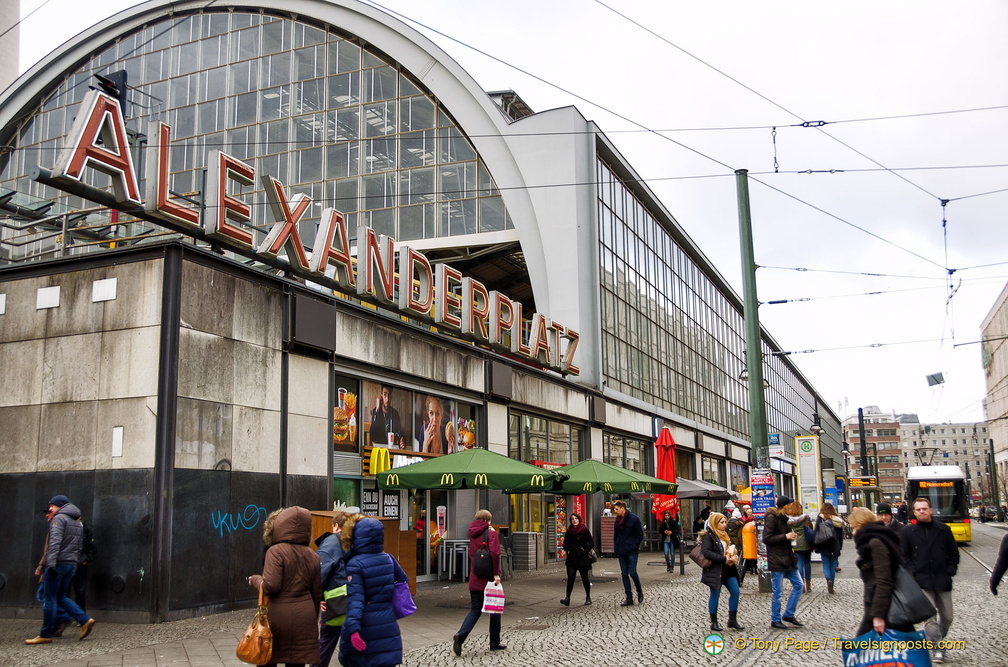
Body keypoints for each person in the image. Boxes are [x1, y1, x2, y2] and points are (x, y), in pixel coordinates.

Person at [247, 506, 322, 667]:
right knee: (297, 662)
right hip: (305, 617)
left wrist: (256, 580)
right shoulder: (313, 556)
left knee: (267, 658)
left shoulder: (275, 551)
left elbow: (270, 586)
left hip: (278, 617)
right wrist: (312, 619)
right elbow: (317, 593)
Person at [25, 495, 96, 645]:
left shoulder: (59, 519)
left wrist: (50, 565)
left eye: (52, 506)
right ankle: (84, 620)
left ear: (60, 506)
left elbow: (54, 544)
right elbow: (78, 546)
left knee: (49, 599)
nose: (49, 509)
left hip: (58, 563)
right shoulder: (77, 522)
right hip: (71, 564)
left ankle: (45, 634)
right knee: (61, 596)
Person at [338, 516, 406, 667]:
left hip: (365, 626)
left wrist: (353, 630)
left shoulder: (355, 564)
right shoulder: (388, 558)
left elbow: (355, 601)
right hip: (387, 623)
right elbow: (403, 579)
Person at [900, 497, 959, 664]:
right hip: (922, 581)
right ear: (914, 512)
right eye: (918, 509)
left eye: (924, 509)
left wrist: (950, 570)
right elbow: (904, 556)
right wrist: (914, 573)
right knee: (930, 617)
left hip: (942, 579)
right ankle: (938, 648)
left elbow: (953, 553)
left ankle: (936, 638)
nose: (921, 512)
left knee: (947, 616)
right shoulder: (907, 532)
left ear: (931, 510)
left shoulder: (943, 529)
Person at [849, 507, 915, 636]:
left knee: (860, 649)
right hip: (879, 606)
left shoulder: (876, 543)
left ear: (861, 525)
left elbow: (884, 581)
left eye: (854, 527)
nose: (853, 532)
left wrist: (878, 616)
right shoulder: (877, 538)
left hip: (883, 608)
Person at [453, 509, 505, 656]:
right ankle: (494, 642)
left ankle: (461, 635)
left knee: (475, 610)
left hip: (475, 577)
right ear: (488, 520)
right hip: (489, 579)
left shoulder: (472, 533)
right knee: (495, 609)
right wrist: (496, 574)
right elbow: (495, 553)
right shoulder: (491, 533)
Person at [314, 507, 357, 667]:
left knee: (325, 644)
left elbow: (318, 573)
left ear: (336, 526)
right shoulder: (358, 542)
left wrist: (317, 598)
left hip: (334, 602)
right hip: (355, 602)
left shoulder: (332, 542)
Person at [762, 496, 804, 629]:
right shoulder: (771, 518)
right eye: (790, 505)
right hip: (777, 559)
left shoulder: (784, 518)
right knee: (778, 591)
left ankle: (789, 614)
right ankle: (775, 619)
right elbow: (767, 538)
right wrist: (785, 536)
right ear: (785, 506)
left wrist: (790, 538)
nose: (792, 507)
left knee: (799, 585)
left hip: (787, 558)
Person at [699, 512, 745, 632]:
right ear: (715, 523)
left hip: (729, 569)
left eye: (725, 522)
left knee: (735, 591)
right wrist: (724, 558)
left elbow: (731, 546)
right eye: (722, 522)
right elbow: (707, 552)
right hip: (716, 570)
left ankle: (732, 620)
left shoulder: (726, 534)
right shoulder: (709, 536)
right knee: (715, 595)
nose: (724, 525)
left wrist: (733, 552)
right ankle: (714, 622)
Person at [612, 500, 644, 606]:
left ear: (623, 508)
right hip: (621, 550)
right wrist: (616, 547)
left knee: (633, 572)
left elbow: (640, 534)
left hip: (631, 550)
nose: (615, 511)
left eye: (617, 509)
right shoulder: (617, 520)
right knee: (624, 574)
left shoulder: (634, 519)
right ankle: (629, 597)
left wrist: (634, 546)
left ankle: (639, 590)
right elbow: (615, 535)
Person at [560, 513, 594, 606]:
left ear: (579, 520)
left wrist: (585, 552)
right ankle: (567, 598)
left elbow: (591, 542)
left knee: (584, 578)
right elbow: (565, 543)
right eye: (572, 519)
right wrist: (567, 550)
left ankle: (588, 597)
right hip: (572, 558)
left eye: (575, 518)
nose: (574, 520)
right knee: (570, 578)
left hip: (582, 558)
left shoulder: (584, 530)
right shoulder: (569, 531)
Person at [814, 502, 845, 594]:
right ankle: (832, 583)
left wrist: (816, 544)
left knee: (825, 564)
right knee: (832, 565)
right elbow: (840, 535)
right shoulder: (837, 520)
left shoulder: (820, 518)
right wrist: (839, 546)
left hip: (824, 543)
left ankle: (828, 580)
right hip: (834, 544)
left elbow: (816, 531)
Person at [783, 501, 813, 592]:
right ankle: (808, 584)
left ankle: (801, 585)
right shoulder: (806, 518)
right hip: (806, 542)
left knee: (798, 563)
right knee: (807, 563)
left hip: (794, 543)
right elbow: (810, 527)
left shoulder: (788, 520)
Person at [71, 518, 98, 614]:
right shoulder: (68, 529)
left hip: (80, 564)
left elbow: (92, 547)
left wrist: (86, 559)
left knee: (80, 592)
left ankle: (80, 616)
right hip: (69, 563)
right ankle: (64, 617)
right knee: (65, 591)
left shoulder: (86, 530)